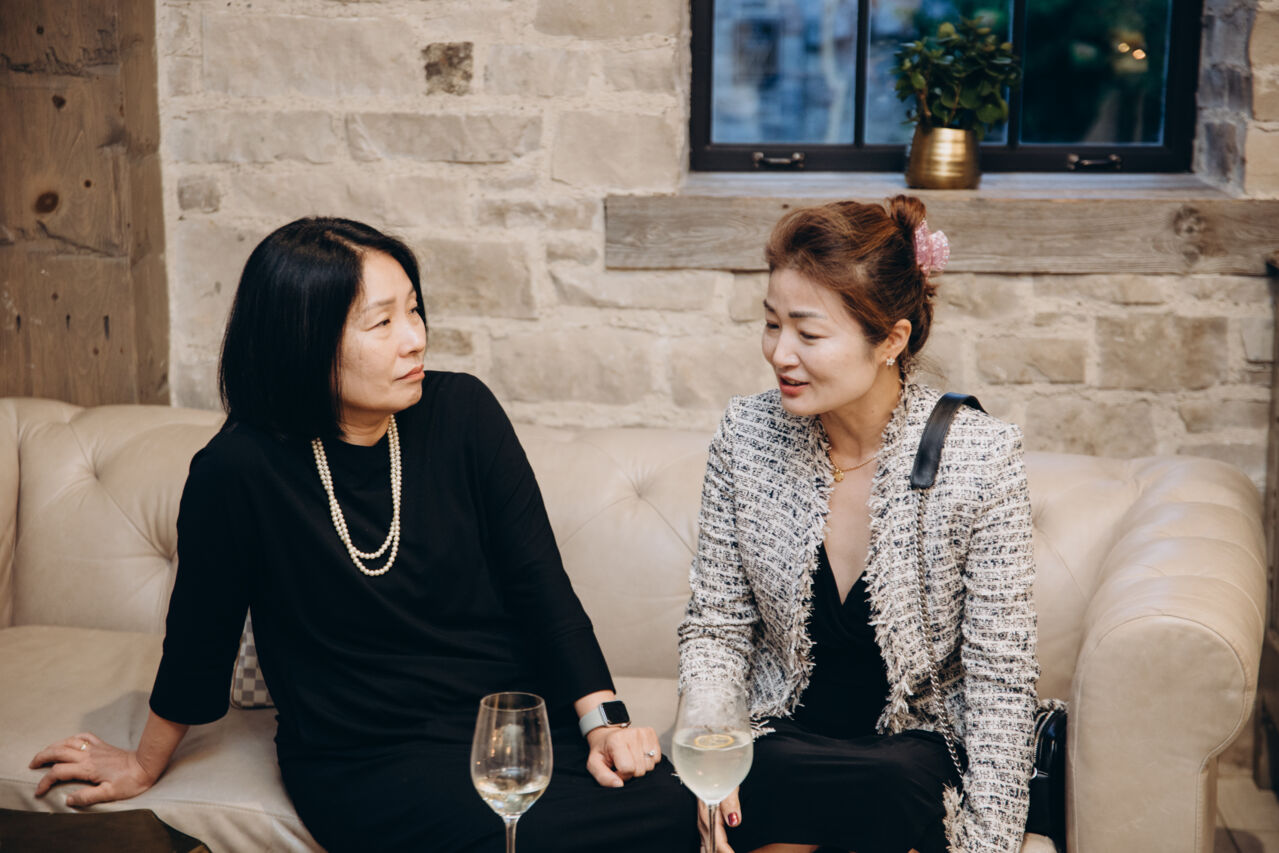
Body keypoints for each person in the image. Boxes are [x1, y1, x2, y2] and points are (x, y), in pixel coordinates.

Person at [29, 217, 696, 853]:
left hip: (510, 726)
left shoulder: (464, 413)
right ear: (304, 339)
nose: (415, 338)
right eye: (382, 322)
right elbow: (200, 640)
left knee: (695, 808)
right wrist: (143, 763)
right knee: (530, 839)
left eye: (414, 310)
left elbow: (540, 587)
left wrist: (602, 723)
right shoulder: (238, 470)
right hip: (368, 756)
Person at [677, 197, 1038, 853]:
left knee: (889, 782)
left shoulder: (981, 458)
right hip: (783, 742)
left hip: (910, 754)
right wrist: (712, 751)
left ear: (890, 340)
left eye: (808, 334)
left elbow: (1000, 681)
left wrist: (990, 842)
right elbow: (716, 627)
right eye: (770, 324)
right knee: (759, 779)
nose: (779, 353)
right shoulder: (745, 436)